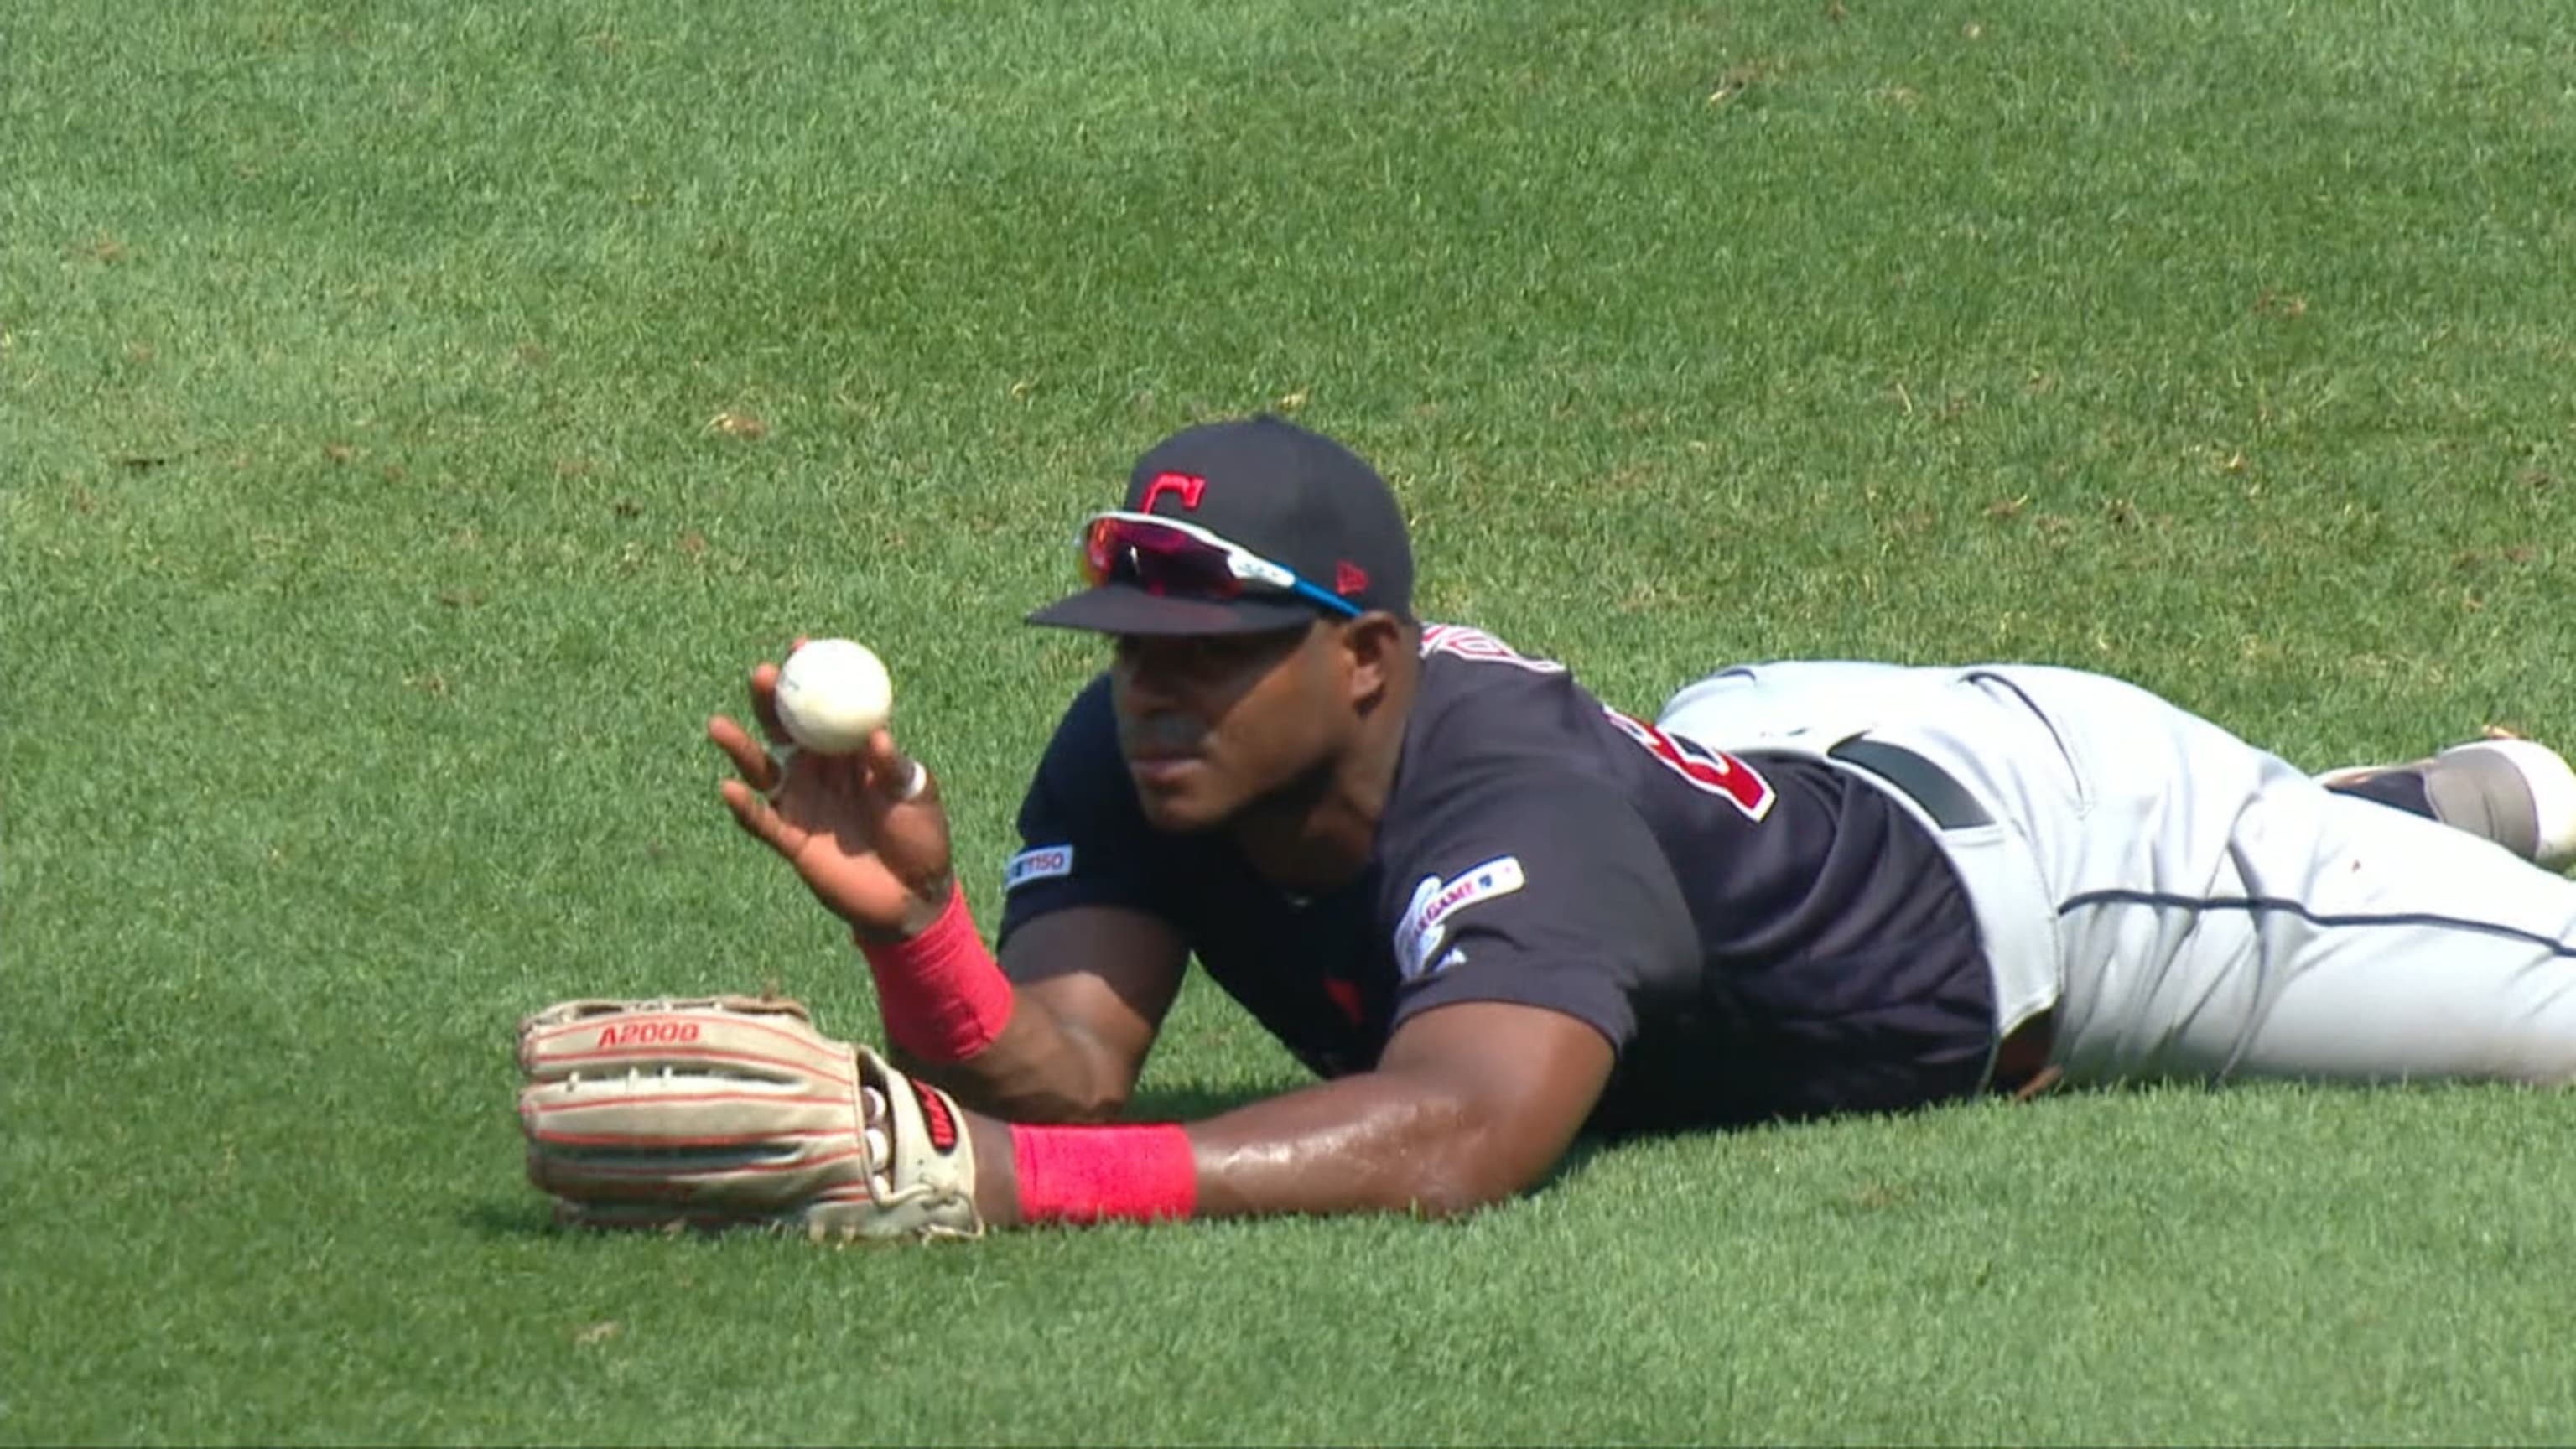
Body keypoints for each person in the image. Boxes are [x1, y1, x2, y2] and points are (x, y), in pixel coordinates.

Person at [518, 416, 2576, 1239]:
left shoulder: (1506, 785)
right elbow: (1059, 1061)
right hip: (1776, 749)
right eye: (1134, 644)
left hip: (2065, 861)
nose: (1155, 688)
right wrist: (922, 939)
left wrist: (1003, 1189)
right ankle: (2410, 815)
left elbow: (1468, 1135)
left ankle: (2380, 830)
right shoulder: (1133, 756)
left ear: (1369, 662)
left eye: (1213, 650)